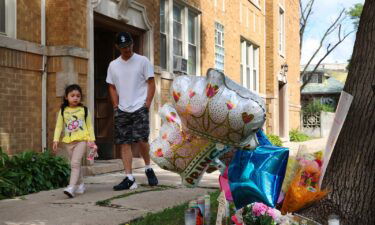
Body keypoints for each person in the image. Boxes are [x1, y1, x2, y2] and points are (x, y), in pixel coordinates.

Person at [106, 31, 158, 190]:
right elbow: (112, 86)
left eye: (128, 46)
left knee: (142, 140)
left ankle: (148, 167)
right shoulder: (113, 65)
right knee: (124, 143)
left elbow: (151, 83)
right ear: (117, 47)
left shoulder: (143, 61)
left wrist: (147, 104)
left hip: (139, 107)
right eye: (123, 47)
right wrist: (115, 106)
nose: (126, 49)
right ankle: (129, 178)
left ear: (132, 44)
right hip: (122, 109)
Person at [53, 84, 97, 198]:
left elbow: (89, 126)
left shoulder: (84, 110)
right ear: (66, 97)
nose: (75, 98)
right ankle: (80, 184)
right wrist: (55, 140)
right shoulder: (63, 111)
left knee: (75, 163)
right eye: (72, 95)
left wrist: (92, 141)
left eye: (78, 96)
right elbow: (58, 126)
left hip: (82, 140)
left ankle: (71, 187)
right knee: (75, 165)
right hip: (68, 142)